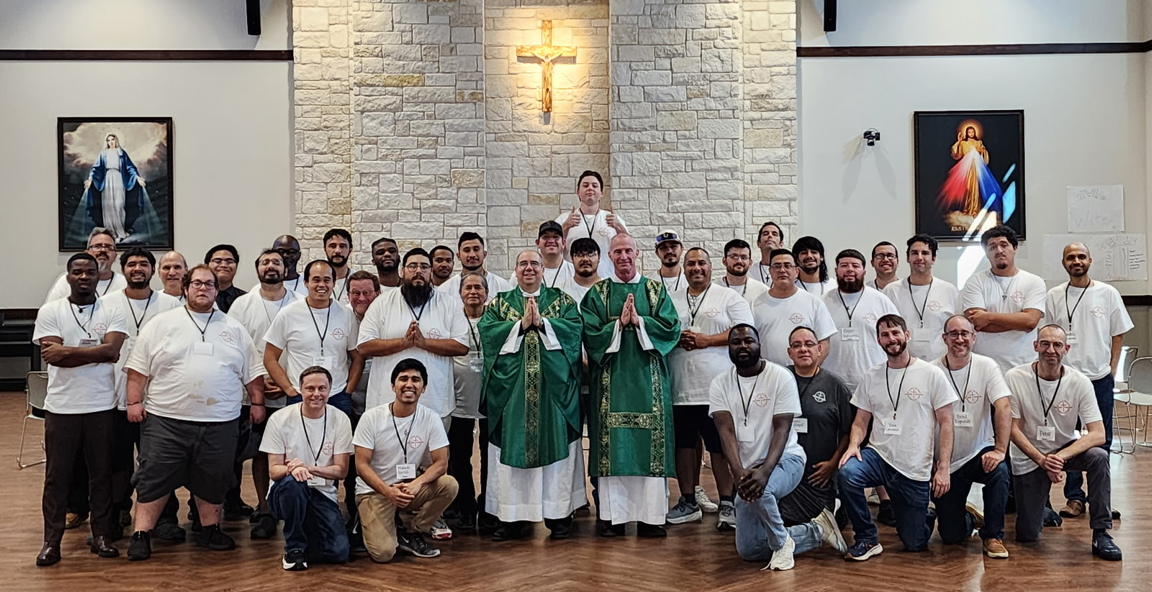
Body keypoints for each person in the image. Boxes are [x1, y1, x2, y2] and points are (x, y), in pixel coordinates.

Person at [123, 264, 265, 561]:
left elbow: (252, 372)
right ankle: (141, 534)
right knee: (154, 477)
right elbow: (137, 368)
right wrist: (134, 402)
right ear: (185, 288)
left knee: (214, 478)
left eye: (209, 284)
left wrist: (257, 402)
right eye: (197, 283)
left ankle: (210, 529)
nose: (203, 288)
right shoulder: (161, 324)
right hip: (166, 420)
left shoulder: (233, 328)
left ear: (216, 290)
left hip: (220, 421)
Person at [711, 324, 843, 570]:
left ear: (759, 345)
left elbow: (782, 429)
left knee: (762, 490)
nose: (743, 346)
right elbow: (725, 431)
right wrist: (738, 473)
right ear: (728, 348)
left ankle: (782, 544)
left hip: (785, 460)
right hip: (748, 469)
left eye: (748, 341)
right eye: (736, 342)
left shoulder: (780, 376)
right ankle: (817, 530)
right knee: (750, 549)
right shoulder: (720, 383)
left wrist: (764, 472)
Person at [479, 251, 586, 541]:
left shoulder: (562, 301)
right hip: (512, 396)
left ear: (543, 270)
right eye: (523, 264)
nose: (529, 269)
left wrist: (544, 324)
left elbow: (575, 332)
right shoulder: (500, 303)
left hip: (553, 395)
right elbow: (487, 334)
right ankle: (510, 516)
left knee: (557, 451)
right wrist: (519, 326)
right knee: (509, 452)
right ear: (515, 270)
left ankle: (558, 515)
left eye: (534, 264)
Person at [581, 233, 679, 538]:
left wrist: (640, 322)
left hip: (649, 383)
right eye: (617, 252)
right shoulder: (597, 294)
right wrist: (618, 325)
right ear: (609, 256)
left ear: (637, 254)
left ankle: (651, 518)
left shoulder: (654, 290)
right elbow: (588, 333)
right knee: (613, 447)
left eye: (628, 251)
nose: (623, 256)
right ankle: (613, 519)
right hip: (610, 384)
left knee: (649, 446)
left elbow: (671, 328)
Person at [33, 253, 128, 566]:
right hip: (62, 407)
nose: (84, 276)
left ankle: (101, 535)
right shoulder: (51, 310)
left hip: (101, 405)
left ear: (99, 275)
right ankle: (52, 541)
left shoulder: (113, 309)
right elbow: (54, 358)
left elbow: (113, 350)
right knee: (57, 477)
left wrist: (67, 350)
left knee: (101, 474)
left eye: (90, 271)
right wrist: (96, 353)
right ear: (68, 276)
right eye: (78, 272)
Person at [838, 314, 956, 560]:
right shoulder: (872, 376)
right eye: (885, 335)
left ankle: (926, 515)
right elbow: (861, 420)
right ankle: (867, 538)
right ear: (878, 341)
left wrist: (943, 467)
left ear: (907, 335)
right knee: (848, 473)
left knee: (914, 543)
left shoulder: (931, 374)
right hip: (878, 456)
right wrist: (853, 445)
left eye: (895, 333)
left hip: (913, 466)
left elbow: (946, 423)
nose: (891, 339)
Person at [1005, 325, 1121, 560]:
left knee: (1099, 456)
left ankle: (1101, 533)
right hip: (1030, 454)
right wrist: (1042, 460)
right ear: (1035, 346)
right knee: (1027, 535)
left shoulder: (1080, 382)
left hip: (1064, 451)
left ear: (1066, 349)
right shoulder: (1015, 377)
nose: (1051, 350)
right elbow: (1011, 429)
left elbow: (1098, 434)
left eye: (1057, 345)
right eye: (1045, 344)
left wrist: (1058, 458)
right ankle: (1043, 511)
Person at [665, 248, 752, 531]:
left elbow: (744, 332)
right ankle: (688, 501)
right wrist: (676, 338)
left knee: (720, 447)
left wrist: (707, 340)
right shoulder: (671, 299)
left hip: (718, 388)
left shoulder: (728, 297)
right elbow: (661, 330)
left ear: (711, 266)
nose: (696, 268)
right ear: (684, 268)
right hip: (681, 387)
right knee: (684, 446)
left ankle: (727, 503)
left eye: (701, 262)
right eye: (691, 263)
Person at [1045, 243, 1132, 519]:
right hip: (1066, 380)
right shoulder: (1054, 295)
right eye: (1070, 257)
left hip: (1099, 378)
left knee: (1101, 441)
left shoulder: (1107, 293)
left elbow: (1118, 333)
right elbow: (1048, 334)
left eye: (1081, 256)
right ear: (1064, 263)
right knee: (1070, 439)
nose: (1076, 261)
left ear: (1090, 261)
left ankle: (1100, 499)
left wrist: (1112, 369)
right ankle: (1075, 498)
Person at [104, 248, 180, 532]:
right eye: (132, 264)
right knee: (117, 462)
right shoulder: (107, 303)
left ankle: (165, 518)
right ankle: (116, 513)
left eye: (144, 264)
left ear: (152, 270)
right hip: (113, 395)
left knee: (159, 462)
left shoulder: (170, 305)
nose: (138, 268)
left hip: (158, 399)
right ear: (123, 269)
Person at [354, 359, 458, 562]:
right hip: (376, 491)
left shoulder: (431, 418)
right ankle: (369, 519)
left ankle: (412, 531)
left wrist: (416, 484)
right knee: (383, 554)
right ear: (393, 386)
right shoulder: (371, 418)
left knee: (449, 485)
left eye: (415, 380)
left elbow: (441, 463)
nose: (409, 384)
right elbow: (361, 465)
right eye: (403, 379)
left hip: (409, 488)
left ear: (423, 388)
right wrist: (388, 492)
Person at [227, 249, 299, 538]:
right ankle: (265, 507)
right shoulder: (243, 304)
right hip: (254, 390)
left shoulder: (299, 302)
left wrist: (284, 382)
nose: (271, 266)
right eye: (265, 262)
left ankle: (293, 506)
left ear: (286, 269)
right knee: (260, 451)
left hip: (292, 388)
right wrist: (259, 382)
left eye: (276, 262)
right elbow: (235, 348)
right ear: (257, 269)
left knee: (292, 451)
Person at [928, 315, 1011, 558]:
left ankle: (993, 535)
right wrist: (930, 461)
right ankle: (970, 518)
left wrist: (1000, 450)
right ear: (944, 338)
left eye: (965, 333)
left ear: (974, 338)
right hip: (946, 461)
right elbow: (921, 420)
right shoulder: (931, 371)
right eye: (953, 334)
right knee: (950, 536)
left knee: (999, 471)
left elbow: (1004, 406)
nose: (959, 339)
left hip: (978, 450)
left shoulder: (987, 366)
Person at [357, 248, 469, 419]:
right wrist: (404, 343)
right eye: (412, 266)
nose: (418, 271)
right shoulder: (382, 302)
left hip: (435, 400)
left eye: (424, 267)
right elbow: (364, 346)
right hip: (386, 400)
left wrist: (424, 343)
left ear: (431, 271)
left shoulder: (448, 303)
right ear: (402, 270)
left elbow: (462, 346)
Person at [261, 366, 353, 571]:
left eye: (322, 388)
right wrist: (292, 470)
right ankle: (294, 549)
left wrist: (308, 468)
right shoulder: (280, 419)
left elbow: (341, 471)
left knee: (339, 552)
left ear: (330, 389)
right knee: (295, 483)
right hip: (284, 492)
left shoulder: (341, 420)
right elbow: (274, 471)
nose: (316, 394)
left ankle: (309, 535)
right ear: (300, 389)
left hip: (322, 492)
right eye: (310, 388)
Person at [777, 327, 853, 555]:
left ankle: (834, 510)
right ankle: (815, 532)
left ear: (819, 349)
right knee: (775, 521)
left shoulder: (835, 386)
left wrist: (833, 464)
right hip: (786, 471)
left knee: (825, 518)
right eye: (797, 345)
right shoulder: (778, 380)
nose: (803, 349)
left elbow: (849, 431)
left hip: (820, 475)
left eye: (809, 344)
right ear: (789, 352)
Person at [265, 260, 363, 417]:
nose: (321, 285)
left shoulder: (346, 314)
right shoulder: (288, 314)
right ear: (306, 282)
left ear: (334, 283)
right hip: (300, 395)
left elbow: (358, 358)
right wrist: (289, 390)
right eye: (316, 280)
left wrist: (348, 390)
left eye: (327, 280)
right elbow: (270, 358)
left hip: (337, 395)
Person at [962, 224, 1045, 373]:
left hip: (1023, 365)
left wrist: (988, 316)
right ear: (986, 253)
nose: (999, 250)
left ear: (1015, 248)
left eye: (1004, 245)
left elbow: (1030, 322)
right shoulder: (975, 282)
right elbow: (978, 324)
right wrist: (1019, 320)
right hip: (984, 365)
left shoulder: (1034, 282)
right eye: (992, 247)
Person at [447, 272, 491, 532]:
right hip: (458, 400)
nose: (473, 292)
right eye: (468, 288)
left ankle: (487, 507)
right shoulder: (452, 319)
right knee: (459, 458)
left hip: (490, 400)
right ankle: (466, 507)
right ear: (460, 293)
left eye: (478, 287)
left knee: (489, 458)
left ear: (487, 293)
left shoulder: (495, 318)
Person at [821, 249, 899, 391]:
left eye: (855, 266)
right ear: (836, 271)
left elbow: (897, 338)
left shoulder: (881, 301)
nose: (850, 269)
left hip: (874, 380)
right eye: (844, 265)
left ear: (864, 271)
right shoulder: (822, 302)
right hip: (830, 382)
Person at [751, 248, 836, 367]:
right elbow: (751, 342)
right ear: (770, 271)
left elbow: (824, 344)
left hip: (805, 373)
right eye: (777, 266)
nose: (782, 270)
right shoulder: (756, 304)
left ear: (796, 271)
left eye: (787, 266)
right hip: (769, 373)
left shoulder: (813, 302)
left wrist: (809, 372)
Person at [882, 234, 959, 361]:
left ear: (933, 259)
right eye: (914, 253)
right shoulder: (891, 291)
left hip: (941, 362)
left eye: (925, 253)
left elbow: (957, 329)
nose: (919, 257)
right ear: (907, 258)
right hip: (903, 362)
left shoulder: (949, 290)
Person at [80, 133, 153, 243]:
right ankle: (110, 234)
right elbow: (95, 169)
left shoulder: (121, 153)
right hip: (107, 180)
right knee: (108, 207)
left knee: (119, 205)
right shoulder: (103, 154)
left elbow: (130, 168)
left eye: (112, 140)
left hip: (119, 179)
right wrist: (90, 179)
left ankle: (120, 232)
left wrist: (137, 178)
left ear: (116, 140)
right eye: (108, 140)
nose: (111, 142)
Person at [556, 170, 627, 278]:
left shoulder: (613, 219)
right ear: (578, 192)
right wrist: (565, 227)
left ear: (601, 192)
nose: (590, 188)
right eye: (585, 185)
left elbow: (630, 248)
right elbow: (551, 251)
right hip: (572, 280)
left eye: (594, 186)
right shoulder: (564, 219)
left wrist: (619, 227)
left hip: (606, 278)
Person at [45, 228, 126, 302]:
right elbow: (49, 310)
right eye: (96, 246)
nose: (103, 250)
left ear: (115, 256)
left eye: (109, 247)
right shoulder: (67, 281)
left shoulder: (124, 283)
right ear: (87, 253)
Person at [438, 233, 512, 297]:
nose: (472, 255)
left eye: (476, 249)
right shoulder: (444, 291)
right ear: (458, 256)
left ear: (484, 254)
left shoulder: (503, 288)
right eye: (466, 250)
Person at [721, 239, 770, 305]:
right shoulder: (712, 289)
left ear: (750, 262)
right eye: (734, 256)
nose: (739, 261)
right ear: (724, 261)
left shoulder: (762, 290)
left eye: (744, 257)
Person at [555, 237, 601, 304]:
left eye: (590, 254)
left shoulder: (610, 289)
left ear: (599, 257)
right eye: (579, 255)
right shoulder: (561, 291)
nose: (585, 259)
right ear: (571, 258)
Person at [205, 244, 246, 313]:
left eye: (229, 261)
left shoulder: (246, 299)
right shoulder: (199, 296)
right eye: (217, 261)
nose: (223, 265)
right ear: (206, 266)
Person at [537, 221, 575, 289]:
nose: (551, 241)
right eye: (545, 237)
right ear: (537, 243)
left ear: (563, 243)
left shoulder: (574, 272)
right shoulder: (529, 272)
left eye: (556, 237)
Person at [324, 228, 354, 303]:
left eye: (342, 246)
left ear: (350, 250)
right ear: (325, 249)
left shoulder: (358, 280)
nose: (337, 251)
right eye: (332, 246)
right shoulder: (316, 282)